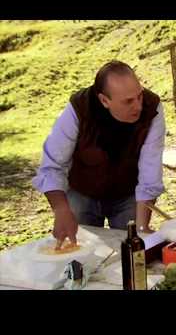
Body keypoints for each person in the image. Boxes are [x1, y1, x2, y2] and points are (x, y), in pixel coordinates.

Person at [33, 60, 165, 248]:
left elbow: (150, 168)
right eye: (128, 101)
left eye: (139, 96)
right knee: (79, 252)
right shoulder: (79, 107)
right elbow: (53, 164)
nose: (138, 106)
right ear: (104, 100)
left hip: (128, 194)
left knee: (128, 253)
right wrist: (61, 210)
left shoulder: (153, 109)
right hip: (82, 192)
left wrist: (142, 228)